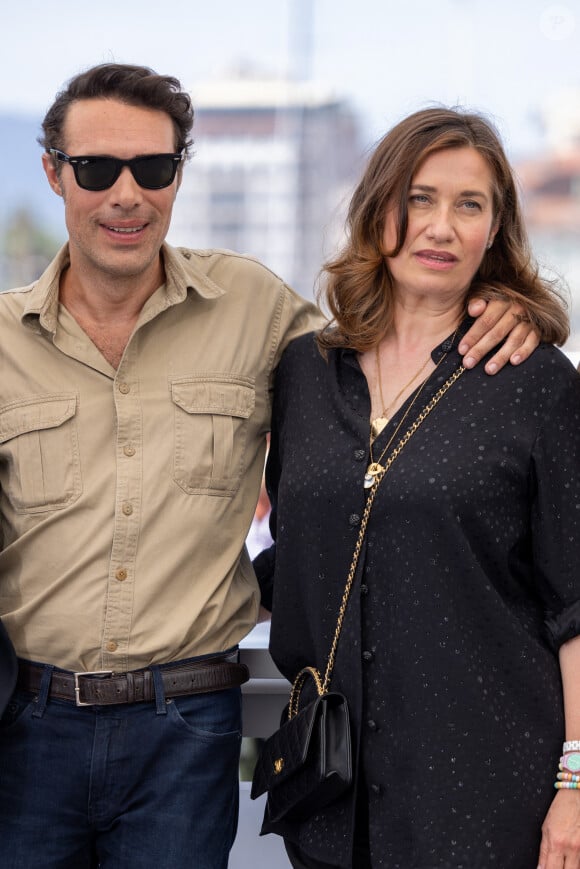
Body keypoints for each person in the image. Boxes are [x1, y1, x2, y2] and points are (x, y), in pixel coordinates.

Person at [0, 62, 537, 868]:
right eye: (95, 168)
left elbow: (391, 348)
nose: (126, 193)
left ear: (179, 173)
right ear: (53, 173)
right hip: (24, 730)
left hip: (186, 734)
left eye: (153, 168)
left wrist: (509, 303)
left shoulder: (254, 308)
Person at [255, 107, 580, 869]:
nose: (441, 226)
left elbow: (575, 603)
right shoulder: (305, 371)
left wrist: (576, 782)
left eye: (470, 205)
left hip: (486, 793)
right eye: (420, 198)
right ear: (378, 211)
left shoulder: (535, 383)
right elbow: (293, 546)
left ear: (495, 231)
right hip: (332, 798)